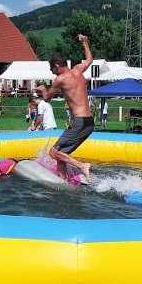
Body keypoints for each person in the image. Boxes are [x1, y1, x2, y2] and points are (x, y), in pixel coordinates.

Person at [36, 34, 94, 182]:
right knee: (61, 155)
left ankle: (82, 166)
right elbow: (89, 60)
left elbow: (47, 98)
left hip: (79, 122)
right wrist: (85, 42)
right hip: (89, 123)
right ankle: (63, 179)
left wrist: (43, 89)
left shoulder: (59, 80)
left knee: (53, 152)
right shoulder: (78, 70)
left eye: (51, 68)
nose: (51, 71)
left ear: (56, 65)